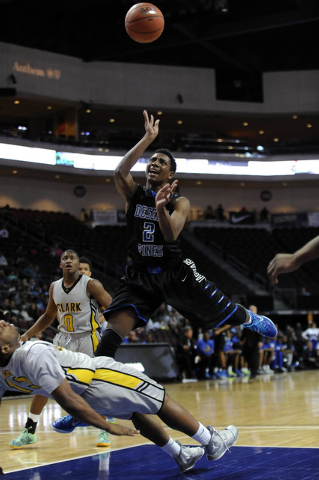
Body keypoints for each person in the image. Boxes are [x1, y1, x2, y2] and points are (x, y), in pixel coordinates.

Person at [55, 110, 277, 431]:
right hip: (140, 276)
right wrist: (147, 140)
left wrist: (161, 207)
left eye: (161, 161)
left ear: (171, 175)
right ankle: (87, 406)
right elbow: (119, 172)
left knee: (224, 312)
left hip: (175, 273)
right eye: (152, 159)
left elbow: (171, 233)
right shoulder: (135, 194)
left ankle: (250, 319)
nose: (154, 162)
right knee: (108, 340)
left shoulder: (180, 201)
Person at [0, 320, 238, 473]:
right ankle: (210, 441)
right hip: (98, 378)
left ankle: (181, 454)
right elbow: (67, 401)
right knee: (160, 398)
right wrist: (106, 426)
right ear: (4, 348)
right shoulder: (33, 352)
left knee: (136, 412)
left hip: (90, 395)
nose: (3, 322)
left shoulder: (3, 372)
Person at [9, 250, 113, 449]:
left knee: (95, 385)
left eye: (72, 258)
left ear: (78, 264)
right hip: (63, 338)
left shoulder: (91, 284)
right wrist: (27, 334)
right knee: (43, 381)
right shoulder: (54, 287)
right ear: (59, 264)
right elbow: (48, 316)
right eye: (64, 258)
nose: (68, 261)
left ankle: (104, 428)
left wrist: (112, 334)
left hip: (87, 339)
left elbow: (113, 308)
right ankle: (29, 431)